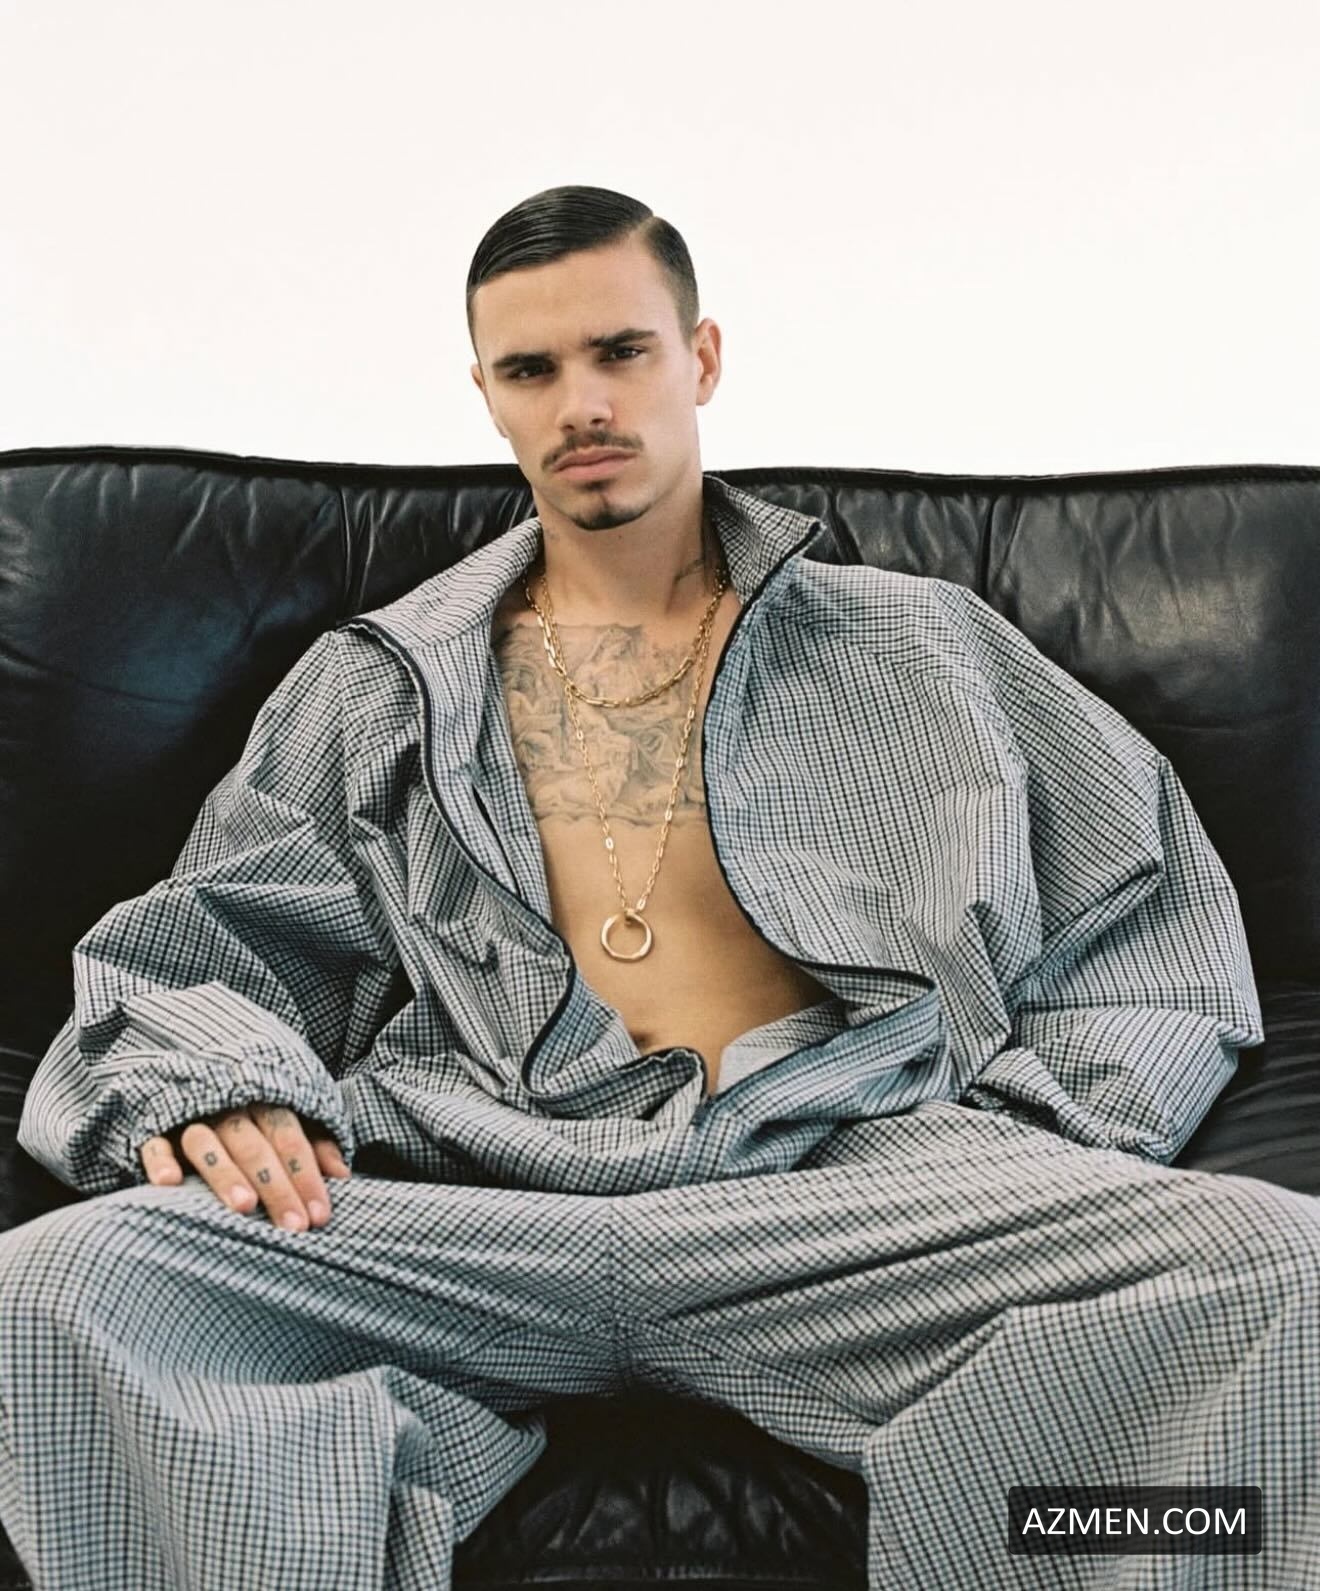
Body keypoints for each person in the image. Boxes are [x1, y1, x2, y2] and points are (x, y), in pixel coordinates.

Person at [0, 184, 1315, 1591]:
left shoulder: (923, 646)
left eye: (620, 351)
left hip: (840, 1192)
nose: (581, 402)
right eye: (531, 369)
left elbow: (1148, 916)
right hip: (467, 1200)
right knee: (59, 1288)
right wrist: (215, 1084)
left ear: (702, 357)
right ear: (487, 397)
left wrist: (1044, 1130)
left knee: (1279, 1269)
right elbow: (213, 942)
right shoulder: (379, 683)